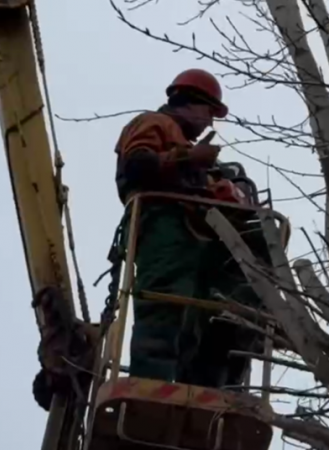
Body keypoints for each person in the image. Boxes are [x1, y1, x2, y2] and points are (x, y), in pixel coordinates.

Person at [113, 68, 268, 388]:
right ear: (190, 102)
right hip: (163, 227)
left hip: (193, 235)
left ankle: (203, 383)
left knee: (202, 316)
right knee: (164, 307)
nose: (210, 122)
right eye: (209, 112)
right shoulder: (154, 123)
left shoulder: (181, 138)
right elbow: (136, 167)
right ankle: (149, 386)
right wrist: (189, 157)